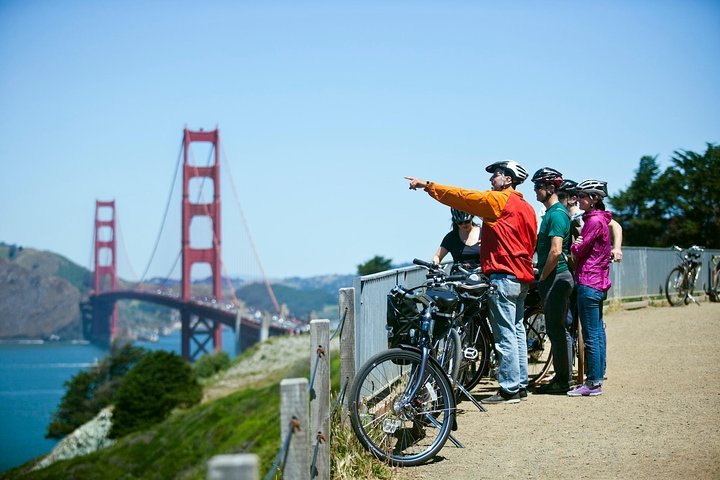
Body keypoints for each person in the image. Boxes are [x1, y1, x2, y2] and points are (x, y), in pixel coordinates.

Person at [405, 159, 537, 404]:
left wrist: (428, 186)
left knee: (505, 334)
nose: (491, 180)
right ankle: (519, 385)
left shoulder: (499, 201)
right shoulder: (527, 207)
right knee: (517, 331)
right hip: (522, 276)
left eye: (496, 175)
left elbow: (463, 197)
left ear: (508, 179)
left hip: (503, 274)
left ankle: (509, 389)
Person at [530, 168, 575, 395]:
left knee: (557, 329)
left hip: (556, 276)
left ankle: (563, 380)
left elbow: (556, 251)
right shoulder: (552, 213)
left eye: (538, 186)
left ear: (551, 188)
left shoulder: (557, 214)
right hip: (555, 276)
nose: (535, 190)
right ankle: (561, 377)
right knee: (556, 329)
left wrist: (542, 276)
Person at [568, 179, 613, 396]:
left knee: (590, 335)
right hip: (600, 282)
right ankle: (597, 376)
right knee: (597, 331)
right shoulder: (602, 220)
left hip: (588, 281)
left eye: (583, 195)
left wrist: (574, 245)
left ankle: (592, 383)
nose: (579, 199)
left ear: (594, 199)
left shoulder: (593, 221)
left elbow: (579, 250)